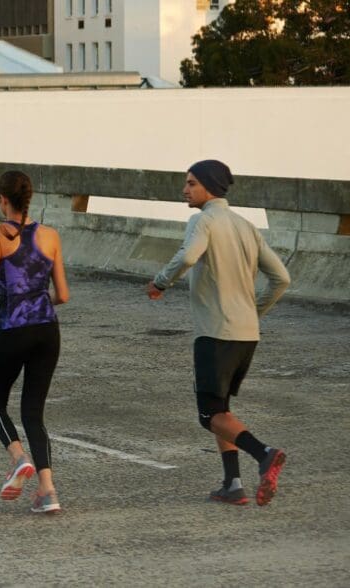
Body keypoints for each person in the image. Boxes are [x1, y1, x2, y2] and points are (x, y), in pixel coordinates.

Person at [146, 160, 291, 506]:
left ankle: (264, 454)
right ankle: (232, 484)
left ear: (209, 187)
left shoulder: (204, 220)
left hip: (215, 333)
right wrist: (253, 314)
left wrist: (160, 282)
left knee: (209, 415)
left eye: (192, 183)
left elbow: (189, 255)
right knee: (221, 410)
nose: (185, 190)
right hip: (246, 334)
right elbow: (282, 278)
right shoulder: (246, 226)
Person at [0, 171, 70, 514]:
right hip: (48, 329)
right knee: (33, 411)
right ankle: (48, 491)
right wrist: (39, 299)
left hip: (14, 327)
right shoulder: (50, 236)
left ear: (3, 199)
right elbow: (62, 293)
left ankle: (18, 459)